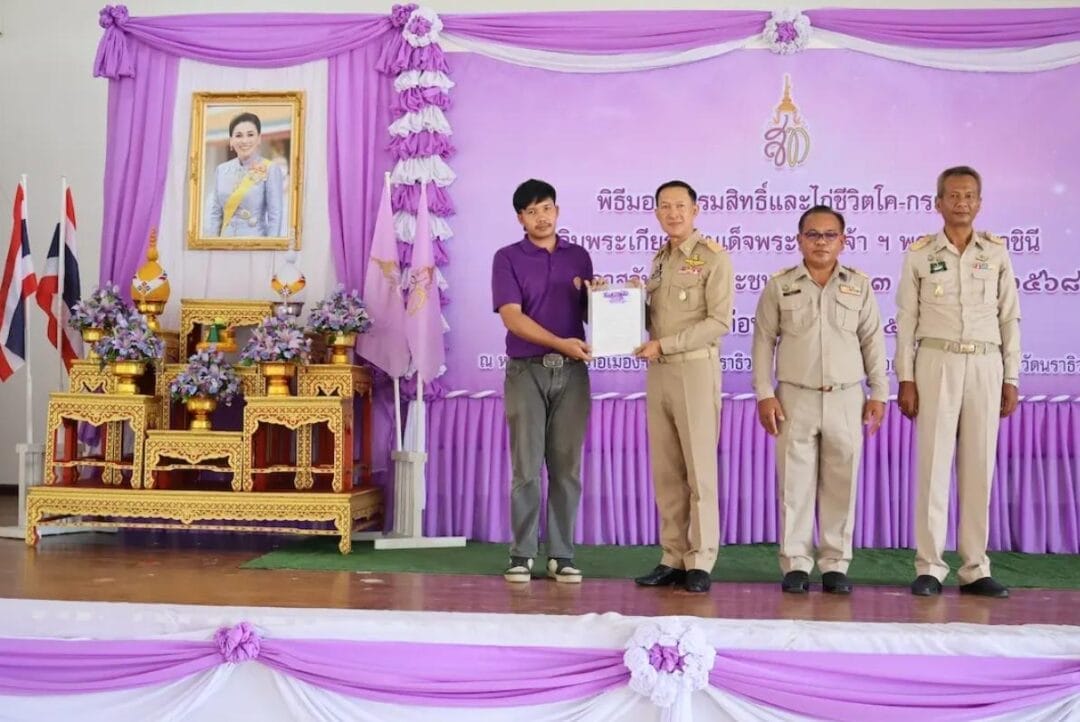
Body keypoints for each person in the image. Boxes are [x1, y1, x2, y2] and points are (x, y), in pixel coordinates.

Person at [895, 166, 1021, 598]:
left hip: (985, 365)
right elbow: (906, 319)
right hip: (936, 361)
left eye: (969, 196)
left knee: (978, 466)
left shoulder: (997, 254)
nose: (961, 202)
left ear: (979, 203)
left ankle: (974, 567)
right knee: (932, 465)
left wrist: (1011, 377)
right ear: (939, 203)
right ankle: (930, 565)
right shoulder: (919, 254)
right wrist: (906, 378)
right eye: (953, 195)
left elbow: (1010, 318)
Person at [751, 205, 887, 595]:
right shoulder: (780, 285)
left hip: (847, 397)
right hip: (794, 396)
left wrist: (879, 392)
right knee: (794, 484)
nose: (821, 242)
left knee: (841, 482)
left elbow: (872, 341)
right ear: (799, 240)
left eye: (829, 235)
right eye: (813, 234)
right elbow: (763, 342)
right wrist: (764, 394)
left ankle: (834, 563)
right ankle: (795, 562)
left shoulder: (859, 285)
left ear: (843, 241)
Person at [491, 179, 596, 584]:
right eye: (532, 211)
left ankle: (562, 554)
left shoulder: (579, 256)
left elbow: (591, 313)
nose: (541, 217)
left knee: (567, 467)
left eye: (547, 208)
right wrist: (560, 343)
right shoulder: (507, 258)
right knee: (527, 467)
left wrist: (613, 298)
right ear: (520, 218)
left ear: (557, 211)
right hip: (526, 370)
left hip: (573, 374)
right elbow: (512, 317)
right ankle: (521, 554)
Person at [633, 180, 733, 594]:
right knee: (667, 470)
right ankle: (672, 556)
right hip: (659, 372)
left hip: (694, 369)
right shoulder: (659, 260)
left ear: (695, 209)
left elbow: (718, 322)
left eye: (680, 206)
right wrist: (609, 302)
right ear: (656, 213)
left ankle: (701, 558)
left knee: (699, 471)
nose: (672, 213)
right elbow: (650, 317)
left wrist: (666, 344)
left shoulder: (713, 258)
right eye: (664, 207)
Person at [203, 112, 284, 238]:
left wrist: (271, 251)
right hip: (224, 245)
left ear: (259, 139)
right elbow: (215, 213)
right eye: (238, 135)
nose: (244, 140)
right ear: (231, 141)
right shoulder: (221, 170)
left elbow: (275, 216)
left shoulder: (270, 169)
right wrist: (212, 245)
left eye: (250, 135)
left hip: (255, 245)